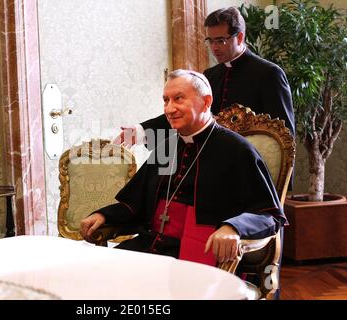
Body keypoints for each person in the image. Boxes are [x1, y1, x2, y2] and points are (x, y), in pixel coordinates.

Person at [81, 69, 287, 265]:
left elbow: (269, 214)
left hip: (198, 255)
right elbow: (137, 203)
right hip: (149, 248)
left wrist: (234, 228)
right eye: (165, 100)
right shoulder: (167, 146)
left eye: (178, 98)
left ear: (206, 102)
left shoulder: (237, 150)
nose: (169, 108)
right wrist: (104, 215)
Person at [115, 7, 295, 148]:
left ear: (239, 37)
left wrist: (281, 180)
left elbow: (284, 135)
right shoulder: (210, 76)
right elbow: (186, 114)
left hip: (249, 167)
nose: (214, 48)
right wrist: (139, 131)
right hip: (211, 160)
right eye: (210, 40)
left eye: (221, 41)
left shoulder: (269, 74)